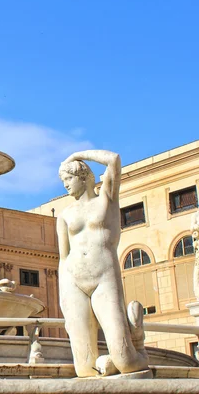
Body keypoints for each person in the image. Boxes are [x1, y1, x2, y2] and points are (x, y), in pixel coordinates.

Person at [57, 150, 149, 377]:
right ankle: (108, 363)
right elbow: (63, 257)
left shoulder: (106, 199)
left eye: (68, 179)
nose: (65, 185)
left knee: (126, 361)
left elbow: (114, 159)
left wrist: (76, 155)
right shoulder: (64, 215)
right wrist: (63, 297)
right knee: (84, 369)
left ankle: (137, 343)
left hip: (103, 279)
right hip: (73, 282)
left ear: (85, 176)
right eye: (63, 181)